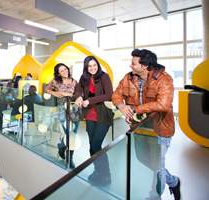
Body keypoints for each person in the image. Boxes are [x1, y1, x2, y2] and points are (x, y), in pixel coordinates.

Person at [112, 49, 180, 200]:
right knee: (144, 159)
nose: (130, 66)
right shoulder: (128, 78)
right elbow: (116, 95)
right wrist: (122, 106)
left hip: (160, 128)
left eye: (133, 63)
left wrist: (136, 109)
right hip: (139, 128)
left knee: (157, 164)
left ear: (144, 66)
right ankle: (173, 181)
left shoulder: (164, 79)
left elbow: (164, 104)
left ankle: (154, 196)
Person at [75, 55, 113, 185]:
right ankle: (98, 171)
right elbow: (78, 89)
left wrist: (89, 100)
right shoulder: (83, 78)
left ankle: (106, 175)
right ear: (86, 67)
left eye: (94, 65)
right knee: (92, 145)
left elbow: (108, 95)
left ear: (98, 65)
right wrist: (79, 97)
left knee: (96, 144)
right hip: (89, 114)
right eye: (89, 66)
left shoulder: (104, 76)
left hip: (103, 114)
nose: (92, 68)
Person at [46, 63, 78, 169]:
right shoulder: (55, 81)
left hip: (74, 110)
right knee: (64, 133)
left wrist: (67, 94)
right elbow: (47, 89)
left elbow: (78, 94)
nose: (64, 71)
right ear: (58, 73)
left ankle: (70, 158)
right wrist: (55, 93)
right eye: (61, 71)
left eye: (65, 69)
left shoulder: (74, 81)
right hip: (61, 110)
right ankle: (61, 147)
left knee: (73, 135)